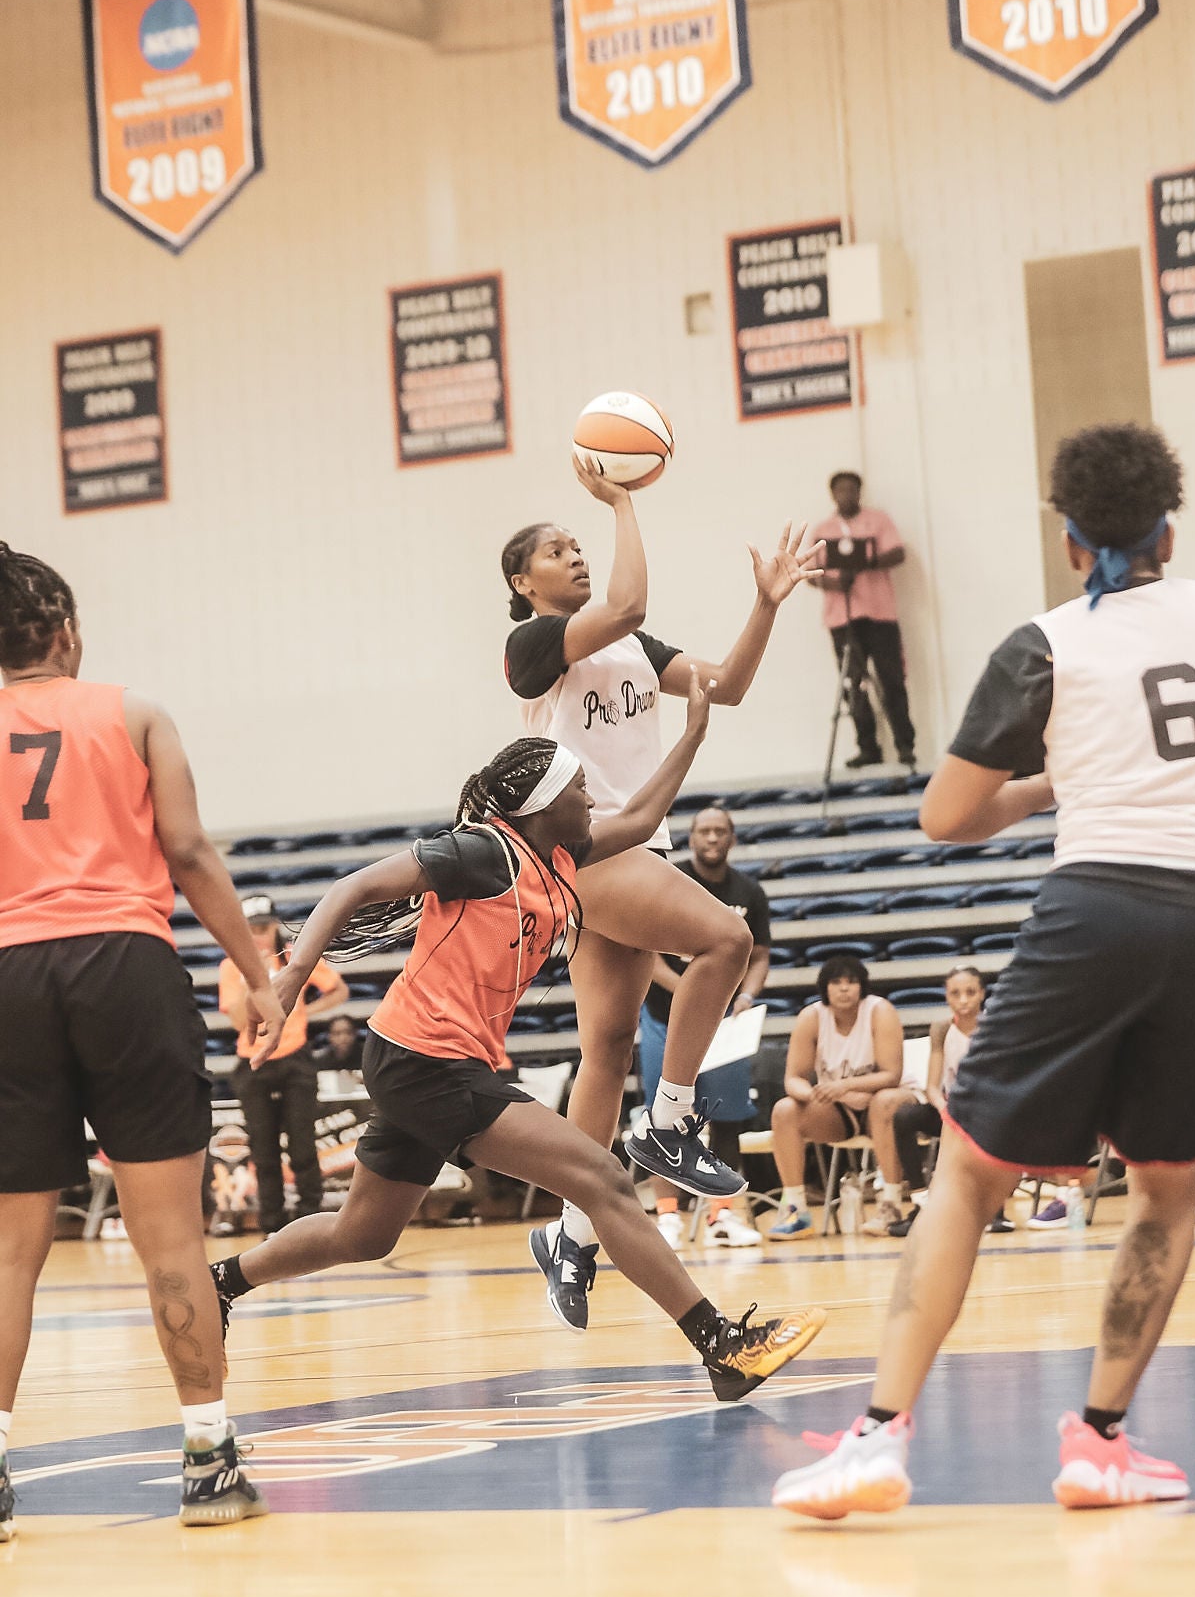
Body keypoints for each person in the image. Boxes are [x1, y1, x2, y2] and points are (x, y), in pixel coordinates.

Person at [772, 421, 1195, 1521]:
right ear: (1168, 530)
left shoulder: (1040, 644)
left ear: (1066, 541)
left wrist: (1059, 778)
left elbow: (945, 815)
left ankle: (877, 1435)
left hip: (1097, 904)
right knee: (1164, 1194)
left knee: (963, 1173)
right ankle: (1098, 1444)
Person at [213, 683, 826, 1398]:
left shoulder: (565, 861)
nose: (591, 796)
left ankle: (220, 1280)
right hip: (427, 1063)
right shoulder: (481, 852)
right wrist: (290, 977)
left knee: (363, 1235)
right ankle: (721, 1345)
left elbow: (648, 815)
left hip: (423, 1062)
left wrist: (691, 731)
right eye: (578, 786)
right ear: (542, 804)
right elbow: (350, 888)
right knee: (601, 1179)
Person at [0, 541, 286, 1533]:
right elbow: (189, 849)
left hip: (8, 974)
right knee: (171, 1240)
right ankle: (208, 1464)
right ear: (68, 633)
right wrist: (263, 972)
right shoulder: (134, 712)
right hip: (123, 963)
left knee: (8, 1253)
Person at [502, 457, 819, 1326]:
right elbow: (630, 601)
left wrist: (766, 603)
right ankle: (672, 1121)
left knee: (604, 1050)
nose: (575, 556)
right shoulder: (533, 648)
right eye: (558, 550)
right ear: (522, 583)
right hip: (586, 847)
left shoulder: (633, 651)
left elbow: (730, 686)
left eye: (578, 545)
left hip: (626, 848)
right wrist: (622, 502)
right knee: (727, 939)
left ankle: (571, 1230)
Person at [640, 806, 771, 1249]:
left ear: (732, 838)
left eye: (720, 831)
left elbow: (760, 955)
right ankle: (668, 1218)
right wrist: (687, 992)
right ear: (690, 838)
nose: (712, 838)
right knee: (662, 1116)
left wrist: (746, 995)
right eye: (704, 831)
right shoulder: (669, 881)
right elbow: (647, 951)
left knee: (726, 1114)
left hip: (725, 1023)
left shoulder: (749, 892)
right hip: (664, 1017)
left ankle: (723, 1217)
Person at [218, 895, 349, 1236]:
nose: (259, 936)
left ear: (274, 925)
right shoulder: (232, 966)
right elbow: (235, 1020)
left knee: (303, 1145)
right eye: (252, 930)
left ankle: (310, 1219)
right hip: (253, 1063)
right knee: (263, 1150)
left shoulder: (294, 959)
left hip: (295, 1059)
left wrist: (304, 1013)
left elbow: (338, 990)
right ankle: (271, 1225)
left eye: (263, 928)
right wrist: (254, 978)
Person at [767, 954, 905, 1239]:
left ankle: (891, 1205)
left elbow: (891, 1075)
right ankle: (796, 1211)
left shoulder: (880, 1011)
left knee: (884, 1101)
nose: (844, 989)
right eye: (836, 982)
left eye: (851, 982)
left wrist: (845, 1086)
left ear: (862, 986)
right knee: (784, 1110)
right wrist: (813, 1095)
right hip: (838, 1110)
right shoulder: (812, 1016)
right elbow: (793, 1078)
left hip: (884, 1102)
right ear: (825, 988)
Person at [874, 967, 1012, 1237]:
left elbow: (1001, 1079)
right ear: (947, 997)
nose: (963, 1000)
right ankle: (920, 1201)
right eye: (955, 993)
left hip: (986, 1110)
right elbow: (932, 1086)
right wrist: (943, 1108)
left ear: (982, 994)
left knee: (997, 1120)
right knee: (904, 1117)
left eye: (970, 993)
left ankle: (995, 1208)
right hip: (951, 1111)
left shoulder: (995, 1027)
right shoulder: (941, 1029)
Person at [811, 470, 915, 770]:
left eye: (851, 489)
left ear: (860, 491)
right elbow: (811, 574)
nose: (847, 495)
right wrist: (834, 583)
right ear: (833, 495)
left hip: (880, 614)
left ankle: (905, 745)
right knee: (853, 684)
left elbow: (897, 552)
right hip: (841, 618)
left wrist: (865, 562)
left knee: (892, 680)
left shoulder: (878, 521)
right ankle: (867, 747)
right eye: (840, 490)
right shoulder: (823, 530)